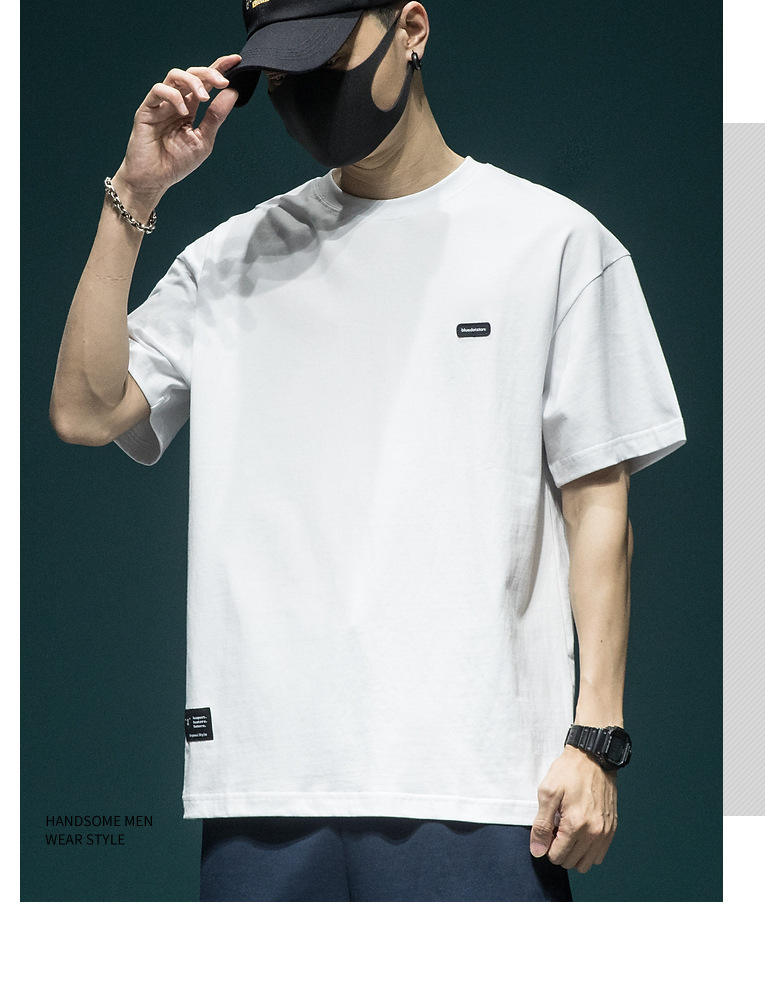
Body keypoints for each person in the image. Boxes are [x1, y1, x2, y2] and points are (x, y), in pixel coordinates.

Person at [49, 0, 686, 902]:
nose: (308, 91)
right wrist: (134, 195)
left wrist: (596, 738)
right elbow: (85, 410)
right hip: (264, 788)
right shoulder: (231, 261)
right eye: (283, 73)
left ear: (412, 30)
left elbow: (600, 511)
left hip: (476, 785)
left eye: (328, 58)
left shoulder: (552, 244)